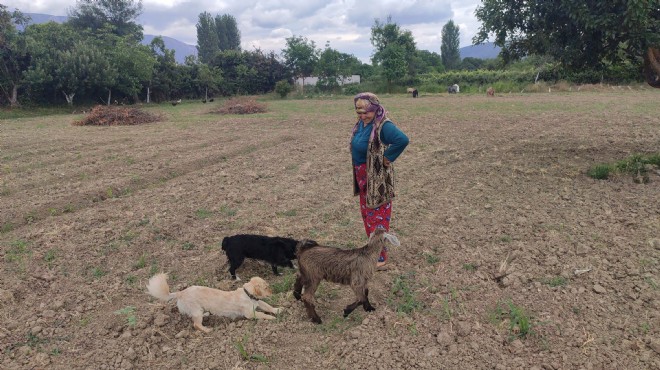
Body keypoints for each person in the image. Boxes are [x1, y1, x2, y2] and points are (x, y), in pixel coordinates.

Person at [350, 92, 409, 268]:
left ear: (375, 109)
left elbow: (402, 140)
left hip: (378, 180)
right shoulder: (362, 124)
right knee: (367, 215)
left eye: (366, 112)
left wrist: (387, 157)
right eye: (358, 112)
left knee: (377, 217)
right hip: (363, 177)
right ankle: (373, 249)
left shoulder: (383, 126)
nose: (362, 116)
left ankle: (380, 257)